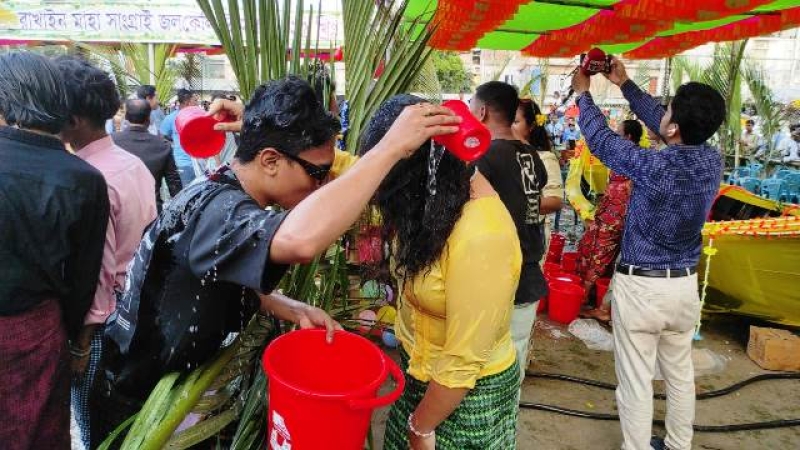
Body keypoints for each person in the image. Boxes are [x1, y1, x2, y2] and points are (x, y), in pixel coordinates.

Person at [89, 77, 460, 447]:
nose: (321, 186)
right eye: (318, 173)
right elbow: (300, 241)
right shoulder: (218, 210)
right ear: (270, 161)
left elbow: (219, 274)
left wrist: (289, 306)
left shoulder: (224, 189)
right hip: (140, 406)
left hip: (171, 386)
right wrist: (390, 149)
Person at [572, 58, 725, 450]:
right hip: (683, 288)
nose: (663, 112)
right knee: (679, 375)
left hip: (642, 289)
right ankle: (678, 445)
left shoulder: (653, 164)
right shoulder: (712, 161)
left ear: (673, 128)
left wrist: (584, 94)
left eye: (668, 108)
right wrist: (624, 83)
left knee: (636, 379)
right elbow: (666, 123)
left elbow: (602, 140)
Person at [369, 95, 521, 450]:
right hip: (420, 374)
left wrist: (421, 426)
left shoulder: (483, 233)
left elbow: (462, 361)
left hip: (467, 394)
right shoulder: (435, 199)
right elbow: (357, 171)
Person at [0, 52, 110, 450]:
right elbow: (84, 276)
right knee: (37, 429)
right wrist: (75, 337)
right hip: (38, 330)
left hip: (32, 323)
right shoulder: (84, 178)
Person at [55, 56, 158, 449]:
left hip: (101, 323)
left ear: (73, 119)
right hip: (137, 307)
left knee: (93, 422)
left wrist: (81, 343)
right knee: (122, 416)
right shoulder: (133, 165)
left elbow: (99, 267)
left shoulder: (89, 178)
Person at [470, 81, 548, 382]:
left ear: (482, 112)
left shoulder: (486, 156)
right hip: (528, 270)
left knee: (488, 361)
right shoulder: (531, 154)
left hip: (496, 271)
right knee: (516, 353)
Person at [576, 119, 641, 322]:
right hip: (606, 214)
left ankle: (584, 299)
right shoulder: (623, 155)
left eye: (618, 132)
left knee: (600, 255)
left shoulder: (638, 159)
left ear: (628, 137)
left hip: (616, 219)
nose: (615, 135)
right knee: (589, 247)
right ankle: (590, 297)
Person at [512, 98, 564, 253]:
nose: (509, 126)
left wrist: (516, 204)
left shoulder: (544, 158)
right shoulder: (502, 154)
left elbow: (555, 202)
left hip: (530, 235)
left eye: (515, 122)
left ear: (531, 126)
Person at [112, 99, 183, 210]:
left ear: (126, 117)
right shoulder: (163, 145)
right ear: (148, 119)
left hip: (118, 210)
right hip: (152, 210)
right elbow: (174, 184)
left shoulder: (112, 142)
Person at [160, 88, 198, 186]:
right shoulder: (171, 118)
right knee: (187, 192)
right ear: (187, 102)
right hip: (183, 164)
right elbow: (162, 136)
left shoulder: (198, 117)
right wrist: (173, 145)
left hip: (200, 163)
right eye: (194, 101)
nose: (196, 103)